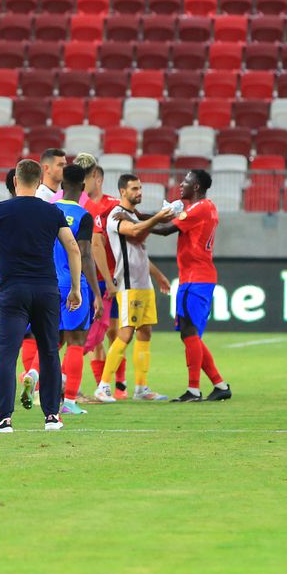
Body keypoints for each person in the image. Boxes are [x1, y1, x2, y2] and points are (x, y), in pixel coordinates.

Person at [0, 159, 80, 433]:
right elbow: (73, 248)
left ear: (16, 181)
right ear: (40, 182)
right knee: (49, 351)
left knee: (8, 354)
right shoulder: (51, 212)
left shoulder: (1, 210)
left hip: (13, 290)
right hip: (46, 289)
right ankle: (52, 416)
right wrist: (76, 288)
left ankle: (4, 419)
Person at [93, 173, 177, 403]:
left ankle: (141, 388)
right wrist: (159, 217)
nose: (139, 192)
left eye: (140, 188)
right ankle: (103, 386)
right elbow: (135, 232)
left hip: (144, 283)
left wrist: (158, 276)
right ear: (123, 191)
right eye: (134, 189)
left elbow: (140, 252)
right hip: (129, 284)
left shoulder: (132, 214)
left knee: (145, 332)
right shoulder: (116, 215)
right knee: (126, 333)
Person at [150, 169, 232, 402]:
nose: (181, 185)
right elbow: (166, 220)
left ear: (196, 186)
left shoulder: (199, 208)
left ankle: (194, 390)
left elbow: (166, 230)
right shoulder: (205, 207)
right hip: (197, 277)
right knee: (190, 333)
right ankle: (219, 384)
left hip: (195, 277)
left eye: (186, 181)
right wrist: (134, 215)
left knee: (189, 331)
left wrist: (132, 225)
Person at [0, 168, 45, 405]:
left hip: (10, 286)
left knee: (14, 342)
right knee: (51, 339)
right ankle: (37, 387)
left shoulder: (1, 211)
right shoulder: (45, 208)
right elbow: (72, 247)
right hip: (41, 284)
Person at [55, 164, 103, 415]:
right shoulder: (84, 216)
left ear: (61, 186)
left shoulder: (47, 211)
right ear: (83, 188)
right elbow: (85, 254)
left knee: (49, 341)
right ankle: (70, 402)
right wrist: (95, 293)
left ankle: (37, 381)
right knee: (76, 341)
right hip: (74, 285)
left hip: (47, 284)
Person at [83, 164, 125, 396]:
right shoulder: (83, 206)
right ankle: (102, 385)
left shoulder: (113, 206)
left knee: (115, 333)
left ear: (96, 178)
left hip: (112, 276)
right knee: (94, 336)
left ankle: (119, 384)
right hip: (91, 278)